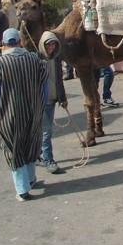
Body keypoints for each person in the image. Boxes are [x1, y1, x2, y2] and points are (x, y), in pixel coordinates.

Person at [0, 28, 48, 201]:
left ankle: (22, 189)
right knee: (32, 144)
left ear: (4, 44)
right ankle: (31, 179)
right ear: (20, 41)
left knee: (14, 150)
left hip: (9, 116)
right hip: (34, 112)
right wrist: (41, 108)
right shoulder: (35, 60)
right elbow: (44, 87)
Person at [37, 31, 68, 174]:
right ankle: (48, 159)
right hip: (40, 101)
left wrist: (62, 98)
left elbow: (59, 79)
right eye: (48, 44)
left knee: (43, 131)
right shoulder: (36, 59)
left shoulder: (56, 58)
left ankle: (38, 155)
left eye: (53, 43)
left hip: (52, 99)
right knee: (46, 131)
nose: (51, 46)